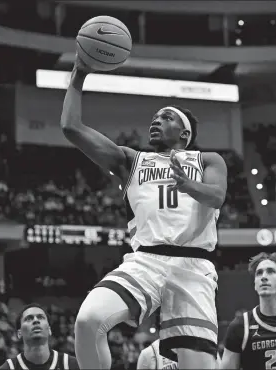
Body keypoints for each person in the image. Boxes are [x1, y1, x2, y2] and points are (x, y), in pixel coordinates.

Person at [61, 55, 227, 370]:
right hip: (145, 261)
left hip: (192, 266)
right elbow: (71, 128)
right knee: (88, 320)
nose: (156, 121)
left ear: (184, 133)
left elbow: (217, 197)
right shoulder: (131, 161)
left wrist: (188, 185)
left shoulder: (207, 160)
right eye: (154, 117)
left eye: (166, 117)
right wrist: (79, 75)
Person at [0, 303, 79, 369]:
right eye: (29, 318)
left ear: (49, 330)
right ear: (19, 333)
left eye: (41, 317)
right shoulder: (8, 367)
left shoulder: (72, 365)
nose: (36, 320)